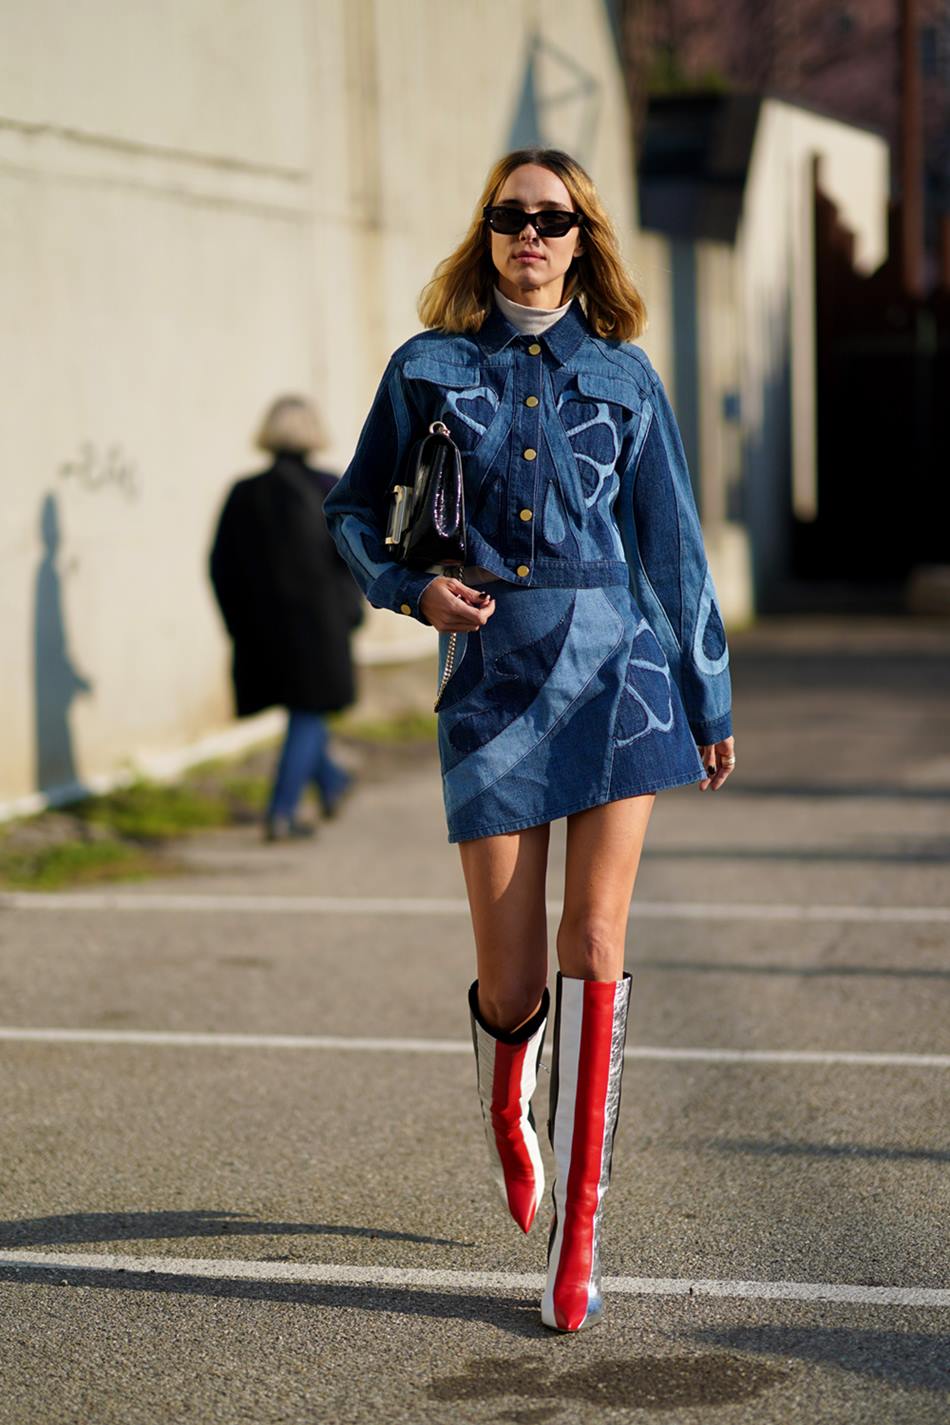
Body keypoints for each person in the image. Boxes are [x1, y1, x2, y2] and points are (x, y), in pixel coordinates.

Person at [323, 148, 735, 1332]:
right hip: (491, 680)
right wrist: (410, 593)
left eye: (550, 219)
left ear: (581, 238)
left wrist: (708, 697)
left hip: (623, 679)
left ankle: (579, 1233)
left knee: (592, 937)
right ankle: (512, 1098)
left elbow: (673, 551)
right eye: (508, 217)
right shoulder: (428, 370)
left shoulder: (626, 376)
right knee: (512, 980)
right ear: (487, 234)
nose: (529, 235)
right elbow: (351, 511)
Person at [210, 396, 362, 840]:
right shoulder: (327, 487)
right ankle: (282, 811)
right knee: (309, 712)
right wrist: (353, 610)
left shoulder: (244, 492)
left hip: (262, 627)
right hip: (320, 625)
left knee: (304, 711)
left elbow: (221, 563)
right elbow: (351, 556)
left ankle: (332, 781)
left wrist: (236, 620)